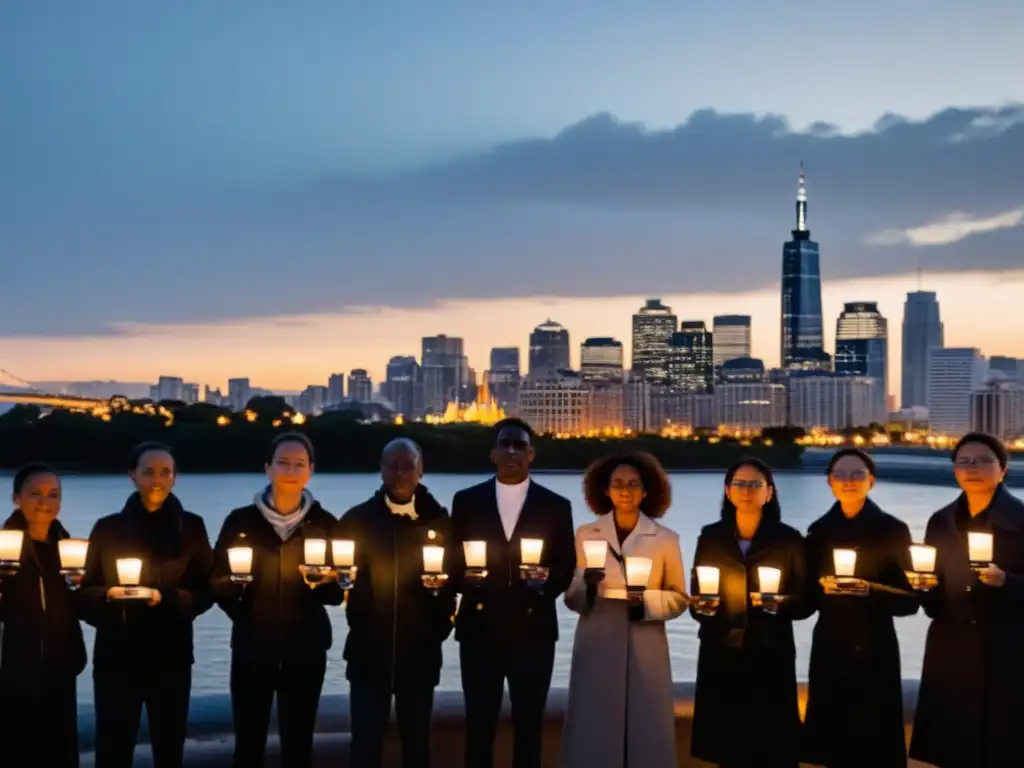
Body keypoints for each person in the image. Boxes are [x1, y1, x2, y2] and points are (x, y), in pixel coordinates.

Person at [210, 432, 345, 768]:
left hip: (306, 649)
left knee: (299, 744)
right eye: (282, 462)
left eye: (300, 463)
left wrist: (327, 582)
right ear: (267, 468)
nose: (291, 470)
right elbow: (215, 581)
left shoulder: (325, 524)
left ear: (310, 470)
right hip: (252, 648)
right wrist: (242, 603)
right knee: (248, 741)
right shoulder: (240, 522)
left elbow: (337, 591)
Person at [448, 417, 575, 768]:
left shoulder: (556, 505)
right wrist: (467, 581)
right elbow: (450, 562)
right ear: (492, 454)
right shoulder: (467, 501)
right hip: (479, 631)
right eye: (505, 443)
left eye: (520, 445)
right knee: (478, 727)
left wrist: (544, 581)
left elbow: (567, 567)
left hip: (533, 633)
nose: (511, 451)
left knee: (529, 728)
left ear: (531, 454)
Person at [79, 442, 215, 768]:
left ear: (175, 477)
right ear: (132, 475)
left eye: (165, 472)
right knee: (112, 746)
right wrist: (107, 596)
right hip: (117, 655)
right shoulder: (107, 528)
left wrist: (168, 599)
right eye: (148, 472)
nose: (157, 479)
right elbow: (83, 593)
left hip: (171, 655)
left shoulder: (192, 528)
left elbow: (208, 588)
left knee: (169, 748)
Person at [561, 452, 687, 768]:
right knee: (594, 724)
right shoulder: (586, 534)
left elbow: (680, 598)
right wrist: (587, 585)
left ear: (646, 491)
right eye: (618, 483)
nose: (625, 490)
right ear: (605, 490)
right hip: (597, 640)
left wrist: (646, 603)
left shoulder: (665, 539)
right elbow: (573, 600)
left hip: (645, 643)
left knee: (647, 726)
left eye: (633, 484)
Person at [337, 438, 456, 768]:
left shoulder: (440, 523)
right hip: (367, 655)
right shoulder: (357, 521)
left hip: (420, 655)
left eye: (408, 465)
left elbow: (453, 583)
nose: (400, 472)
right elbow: (337, 582)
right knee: (364, 745)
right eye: (393, 465)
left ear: (421, 469)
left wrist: (438, 627)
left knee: (417, 746)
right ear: (381, 471)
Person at [910, 432, 1024, 768]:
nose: (972, 468)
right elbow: (934, 602)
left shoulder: (1021, 521)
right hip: (952, 648)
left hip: (1007, 650)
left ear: (1003, 469)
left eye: (983, 461)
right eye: (964, 461)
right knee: (950, 748)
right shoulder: (941, 522)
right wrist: (925, 585)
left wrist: (1007, 582)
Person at [802, 448, 918, 768]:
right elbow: (807, 601)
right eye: (841, 475)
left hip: (875, 647)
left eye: (857, 475)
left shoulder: (893, 530)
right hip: (830, 646)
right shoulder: (818, 532)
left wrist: (869, 590)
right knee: (831, 747)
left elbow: (910, 602)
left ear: (872, 481)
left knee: (875, 744)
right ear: (829, 482)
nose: (848, 481)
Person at [689, 458, 809, 768]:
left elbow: (806, 600)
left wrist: (780, 603)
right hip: (721, 652)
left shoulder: (788, 538)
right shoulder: (711, 537)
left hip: (771, 653)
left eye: (755, 484)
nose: (747, 491)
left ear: (769, 493)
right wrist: (703, 607)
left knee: (772, 747)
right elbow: (698, 596)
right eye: (740, 484)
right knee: (728, 748)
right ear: (728, 491)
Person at [0, 464, 87, 767]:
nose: (44, 502)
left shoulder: (68, 548)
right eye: (34, 493)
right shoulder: (3, 547)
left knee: (60, 750)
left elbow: (79, 607)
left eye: (53, 494)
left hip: (60, 666)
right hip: (13, 670)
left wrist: (83, 588)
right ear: (16, 499)